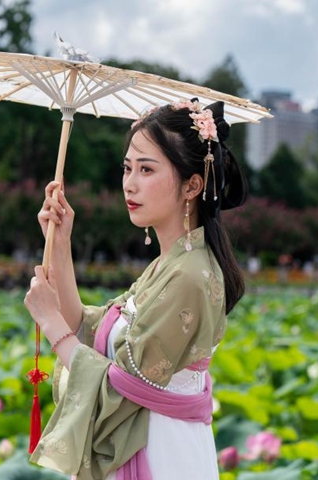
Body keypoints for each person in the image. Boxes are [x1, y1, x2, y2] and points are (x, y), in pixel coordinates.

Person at [24, 99, 249, 480]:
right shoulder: (171, 263)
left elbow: (125, 384)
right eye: (127, 168)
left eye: (146, 169)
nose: (130, 182)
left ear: (192, 184)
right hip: (147, 441)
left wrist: (49, 321)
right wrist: (60, 243)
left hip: (163, 455)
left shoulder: (190, 275)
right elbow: (92, 331)